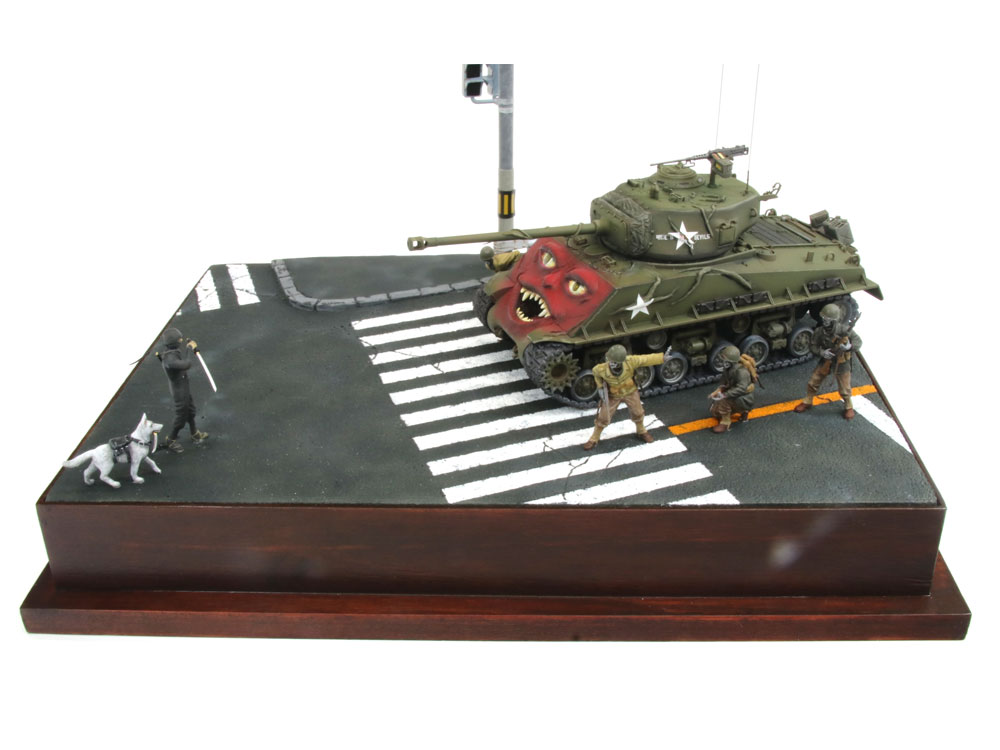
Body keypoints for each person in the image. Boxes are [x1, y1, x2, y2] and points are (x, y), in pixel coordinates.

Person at [582, 345, 664, 450]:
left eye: (614, 362)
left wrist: (662, 358)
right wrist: (600, 387)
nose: (611, 363)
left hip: (630, 391)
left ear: (620, 362)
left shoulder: (630, 362)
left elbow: (645, 359)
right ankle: (594, 438)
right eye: (609, 360)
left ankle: (641, 431)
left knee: (638, 412)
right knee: (603, 417)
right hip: (613, 395)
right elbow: (596, 376)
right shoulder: (600, 369)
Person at [793, 303, 862, 420]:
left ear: (834, 320)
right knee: (814, 381)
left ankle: (848, 406)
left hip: (841, 361)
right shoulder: (820, 331)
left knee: (845, 387)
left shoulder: (844, 330)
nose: (825, 321)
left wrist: (849, 347)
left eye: (828, 319)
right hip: (827, 359)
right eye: (824, 318)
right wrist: (822, 352)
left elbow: (858, 342)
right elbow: (813, 346)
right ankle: (808, 401)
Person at [157, 328, 209, 453]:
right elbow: (186, 364)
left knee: (190, 411)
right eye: (179, 339)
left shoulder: (173, 353)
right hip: (179, 391)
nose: (181, 340)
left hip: (183, 387)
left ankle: (194, 433)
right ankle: (171, 439)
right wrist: (190, 349)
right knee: (181, 416)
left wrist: (187, 348)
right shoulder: (170, 359)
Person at [708, 345, 757, 433]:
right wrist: (718, 390)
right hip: (737, 393)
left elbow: (741, 388)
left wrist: (725, 395)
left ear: (730, 361)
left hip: (744, 398)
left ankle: (726, 423)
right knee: (714, 412)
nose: (722, 360)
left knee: (723, 401)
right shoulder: (728, 368)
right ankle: (743, 413)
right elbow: (724, 381)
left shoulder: (741, 372)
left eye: (724, 358)